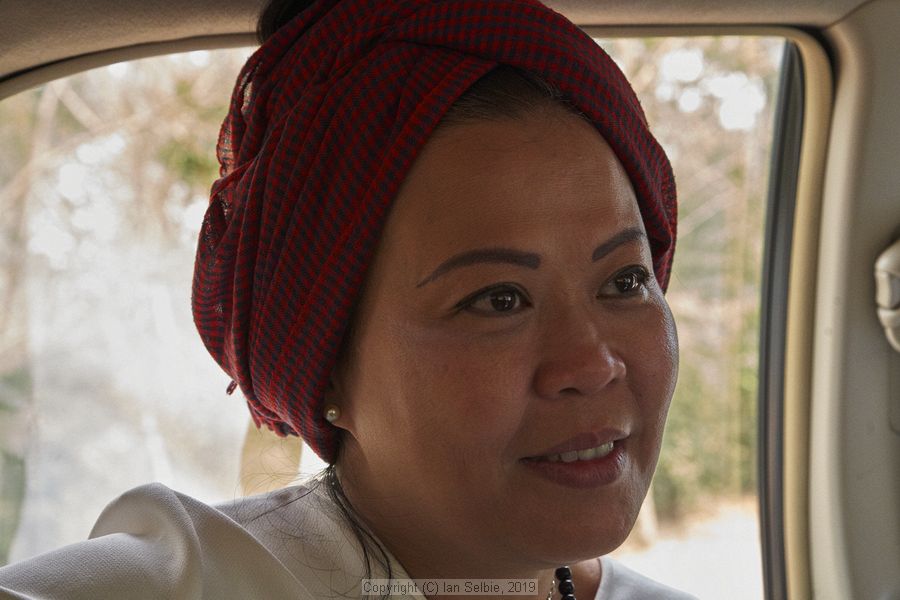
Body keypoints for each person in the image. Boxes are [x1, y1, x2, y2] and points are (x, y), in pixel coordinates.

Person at [0, 0, 696, 598]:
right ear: (326, 361)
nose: (592, 362)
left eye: (625, 281)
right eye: (499, 300)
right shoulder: (198, 580)